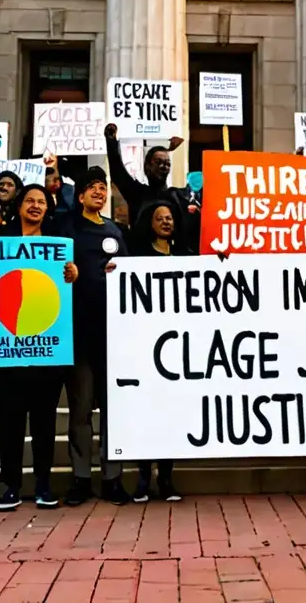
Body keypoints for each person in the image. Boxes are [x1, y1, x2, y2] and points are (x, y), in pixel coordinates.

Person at [0, 185, 78, 511]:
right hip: (7, 351)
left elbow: (66, 287)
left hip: (47, 350)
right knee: (10, 421)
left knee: (45, 422)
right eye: (30, 201)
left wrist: (74, 274)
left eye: (41, 202)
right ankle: (11, 486)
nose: (35, 206)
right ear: (18, 206)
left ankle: (44, 486)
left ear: (48, 209)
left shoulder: (58, 242)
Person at [61, 168, 130, 507]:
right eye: (93, 188)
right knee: (81, 411)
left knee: (114, 412)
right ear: (82, 195)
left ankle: (112, 478)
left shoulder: (116, 231)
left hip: (113, 336)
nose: (100, 193)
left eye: (103, 188)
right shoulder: (68, 228)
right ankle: (81, 478)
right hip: (78, 333)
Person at [127, 198, 189, 501]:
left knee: (171, 415)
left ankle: (166, 477)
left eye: (169, 218)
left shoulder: (185, 256)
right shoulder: (136, 258)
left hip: (177, 351)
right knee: (146, 413)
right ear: (149, 224)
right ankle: (142, 476)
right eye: (159, 218)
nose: (166, 222)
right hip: (144, 348)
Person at [104, 124, 197, 253]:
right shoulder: (137, 193)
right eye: (158, 162)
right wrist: (111, 142)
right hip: (142, 262)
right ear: (147, 166)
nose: (163, 167)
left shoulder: (179, 196)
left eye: (167, 164)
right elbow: (118, 173)